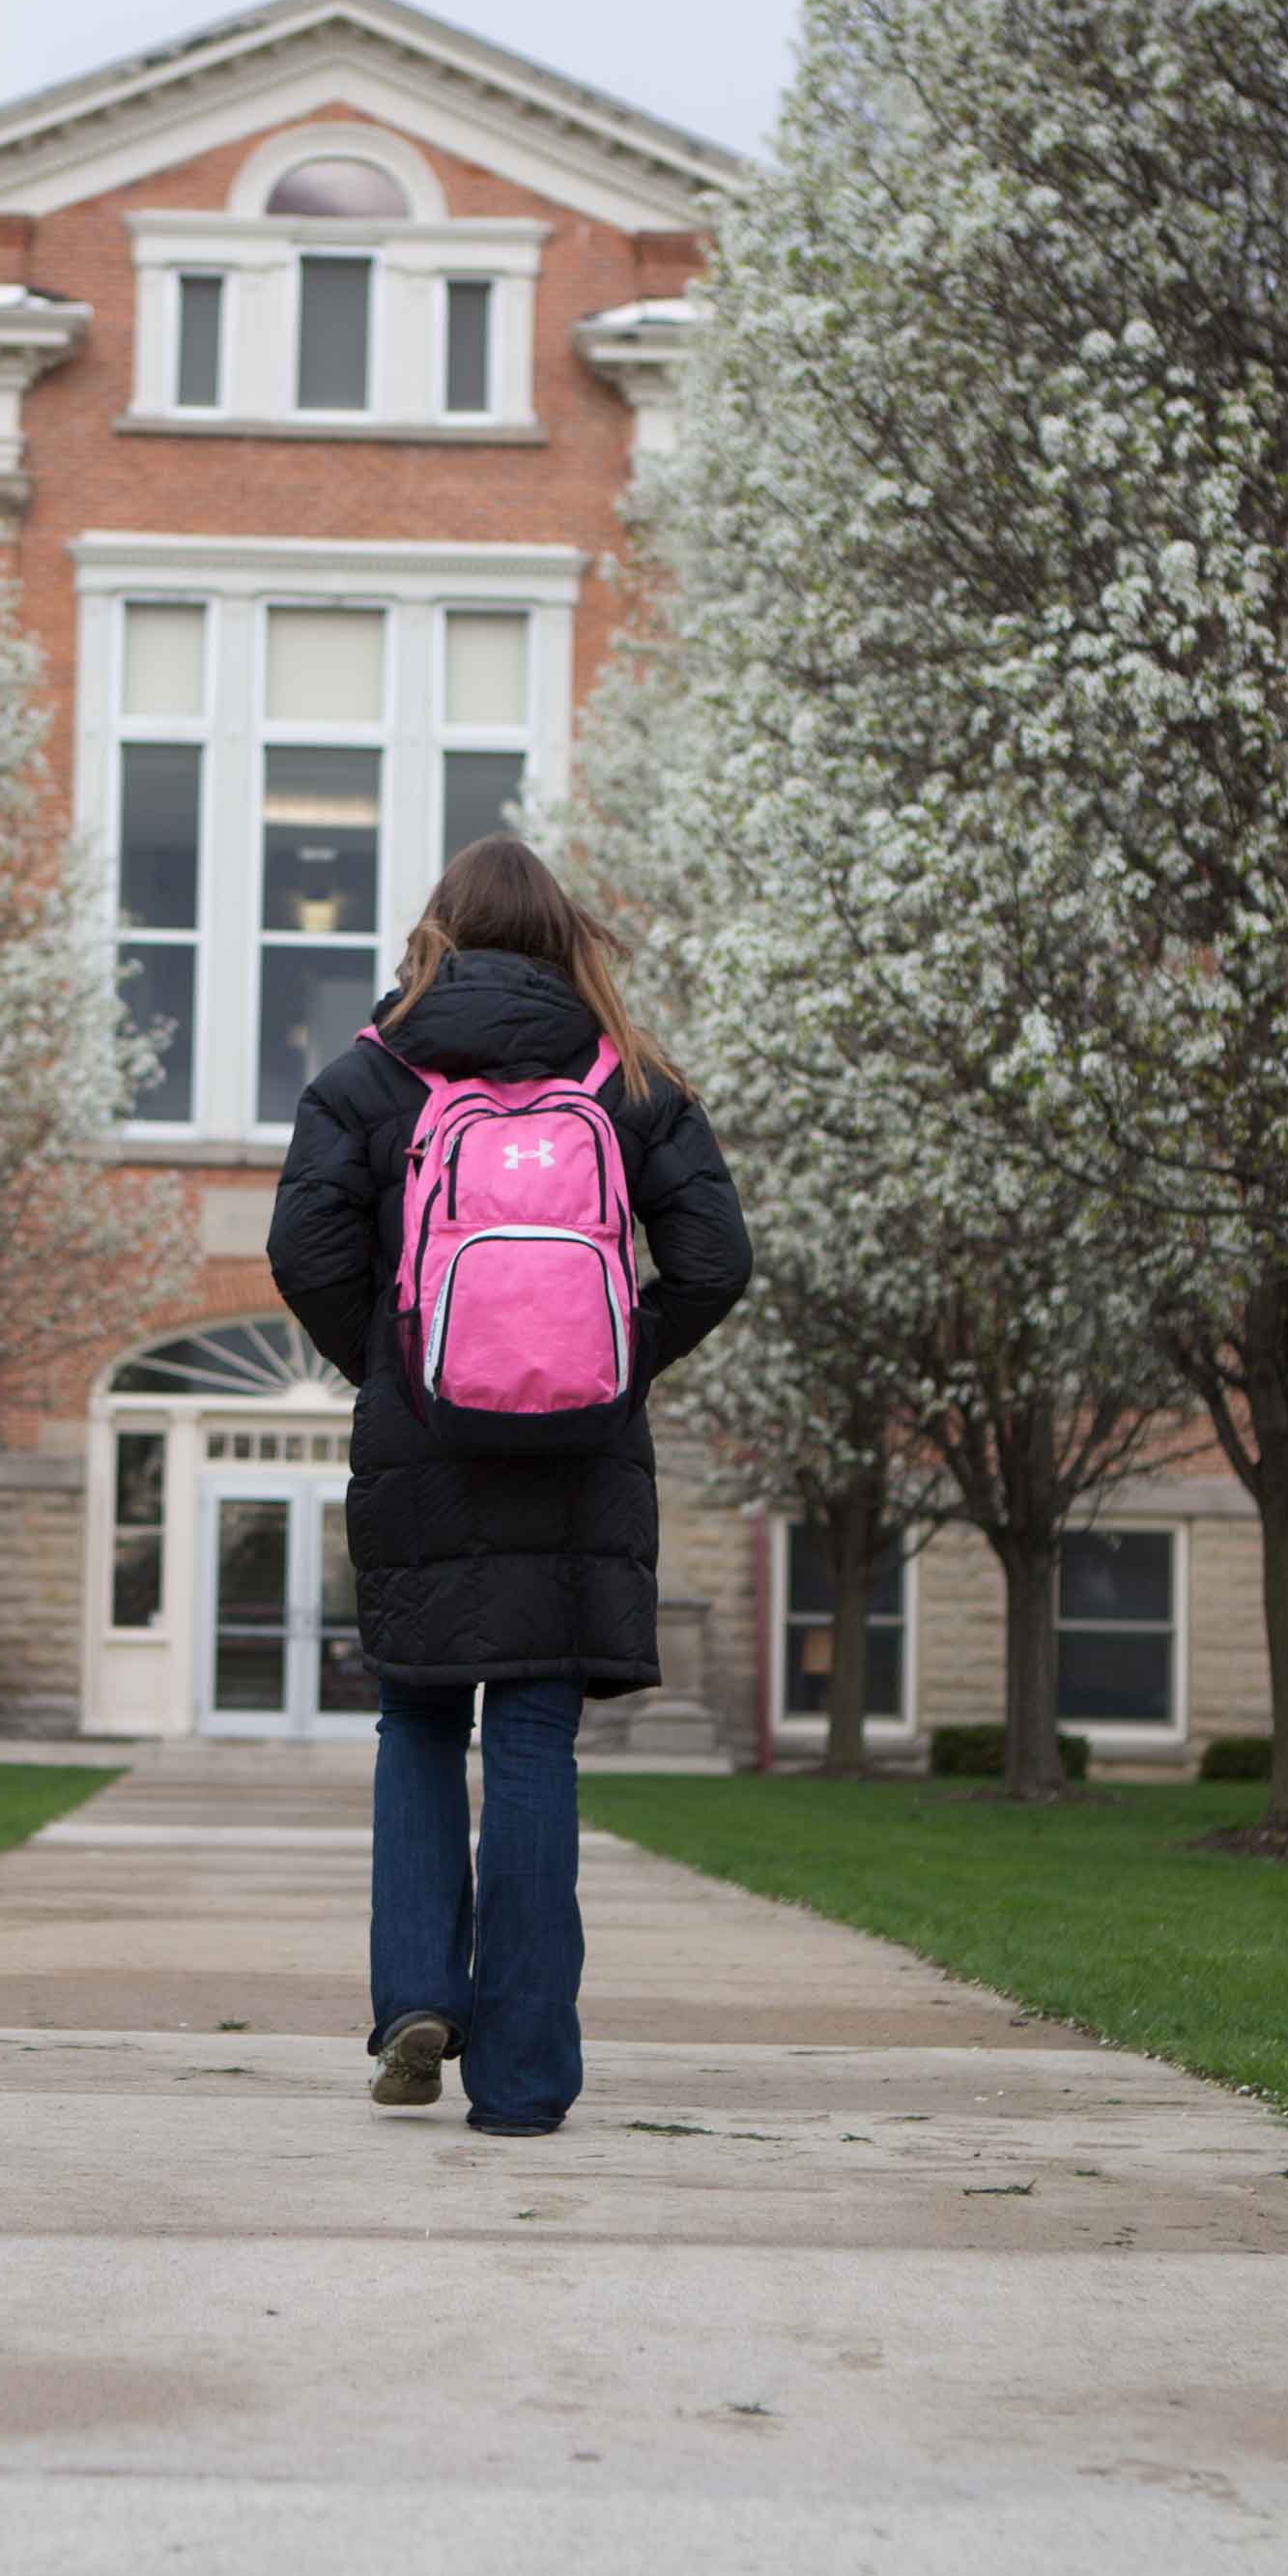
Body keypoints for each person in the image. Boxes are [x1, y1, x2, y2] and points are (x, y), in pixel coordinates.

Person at [267, 836, 752, 2134]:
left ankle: (418, 1991)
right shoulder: (629, 1077)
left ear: (439, 932)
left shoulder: (371, 1075)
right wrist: (611, 1360)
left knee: (420, 1721)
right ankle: (527, 2077)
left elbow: (303, 1246)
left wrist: (400, 1361)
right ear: (562, 938)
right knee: (532, 1736)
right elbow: (715, 1258)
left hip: (423, 1458)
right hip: (577, 1467)